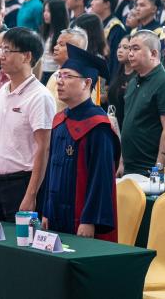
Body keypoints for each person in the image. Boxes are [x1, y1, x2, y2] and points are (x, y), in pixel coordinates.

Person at [40, 44, 119, 240]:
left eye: (67, 76)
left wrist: (89, 220)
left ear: (86, 83)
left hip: (81, 220)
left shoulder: (98, 126)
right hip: (55, 215)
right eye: (59, 75)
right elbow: (50, 171)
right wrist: (47, 210)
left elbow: (101, 178)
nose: (59, 81)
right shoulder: (60, 120)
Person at [0, 27, 53, 222]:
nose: (1, 55)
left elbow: (43, 149)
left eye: (7, 50)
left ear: (27, 56)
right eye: (0, 49)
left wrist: (31, 195)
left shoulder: (40, 96)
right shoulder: (3, 90)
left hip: (21, 184)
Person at [120, 29, 165, 175]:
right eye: (129, 49)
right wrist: (121, 162)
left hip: (149, 168)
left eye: (136, 49)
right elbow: (127, 124)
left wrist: (158, 170)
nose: (130, 53)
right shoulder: (133, 82)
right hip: (129, 167)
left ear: (153, 54)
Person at [40, 0, 69, 82]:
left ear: (57, 13)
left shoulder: (64, 35)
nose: (45, 14)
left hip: (56, 74)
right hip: (45, 72)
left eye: (48, 11)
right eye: (44, 11)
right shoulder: (47, 32)